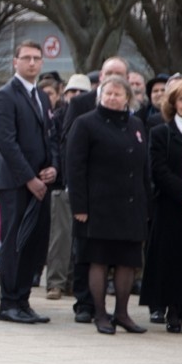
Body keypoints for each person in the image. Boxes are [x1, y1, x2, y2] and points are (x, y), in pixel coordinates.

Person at [66, 76, 150, 334]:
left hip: (131, 206)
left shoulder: (136, 124)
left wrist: (147, 206)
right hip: (98, 207)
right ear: (100, 96)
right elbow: (75, 168)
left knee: (127, 261)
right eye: (108, 93)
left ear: (127, 98)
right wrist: (79, 207)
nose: (112, 98)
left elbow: (144, 168)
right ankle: (100, 314)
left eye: (118, 94)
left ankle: (122, 313)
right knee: (99, 261)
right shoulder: (85, 123)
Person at [0, 41, 58, 324]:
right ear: (15, 61)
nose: (32, 63)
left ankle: (23, 299)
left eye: (36, 58)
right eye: (26, 58)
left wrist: (53, 166)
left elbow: (50, 136)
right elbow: (6, 142)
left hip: (41, 181)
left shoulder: (41, 96)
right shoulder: (5, 95)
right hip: (16, 183)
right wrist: (29, 178)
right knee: (14, 242)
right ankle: (8, 303)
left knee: (33, 243)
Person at [62, 57, 126, 322]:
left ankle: (109, 306)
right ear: (100, 76)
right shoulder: (81, 104)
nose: (113, 77)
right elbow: (69, 145)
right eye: (109, 72)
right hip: (89, 190)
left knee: (111, 253)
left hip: (119, 194)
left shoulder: (129, 107)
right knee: (85, 250)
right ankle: (85, 303)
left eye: (119, 73)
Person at [141, 78, 182, 333]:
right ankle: (173, 310)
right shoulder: (161, 132)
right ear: (173, 103)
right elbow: (158, 169)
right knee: (173, 260)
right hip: (172, 206)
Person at [45, 73, 91, 300]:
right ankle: (56, 283)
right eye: (72, 91)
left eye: (82, 92)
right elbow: (54, 146)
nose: (76, 95)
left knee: (82, 238)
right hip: (62, 183)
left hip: (89, 186)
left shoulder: (95, 119)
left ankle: (73, 282)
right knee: (60, 237)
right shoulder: (57, 117)